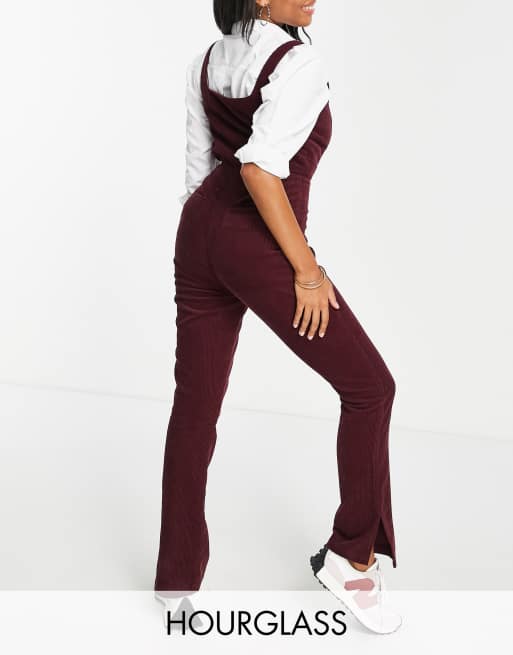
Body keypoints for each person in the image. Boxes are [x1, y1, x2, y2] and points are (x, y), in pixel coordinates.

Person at [154, 0, 402, 635]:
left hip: (197, 234)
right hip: (253, 239)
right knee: (371, 388)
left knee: (194, 409)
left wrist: (212, 245)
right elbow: (259, 171)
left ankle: (176, 579)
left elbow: (200, 173)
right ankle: (352, 560)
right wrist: (306, 271)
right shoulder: (298, 64)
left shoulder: (205, 61)